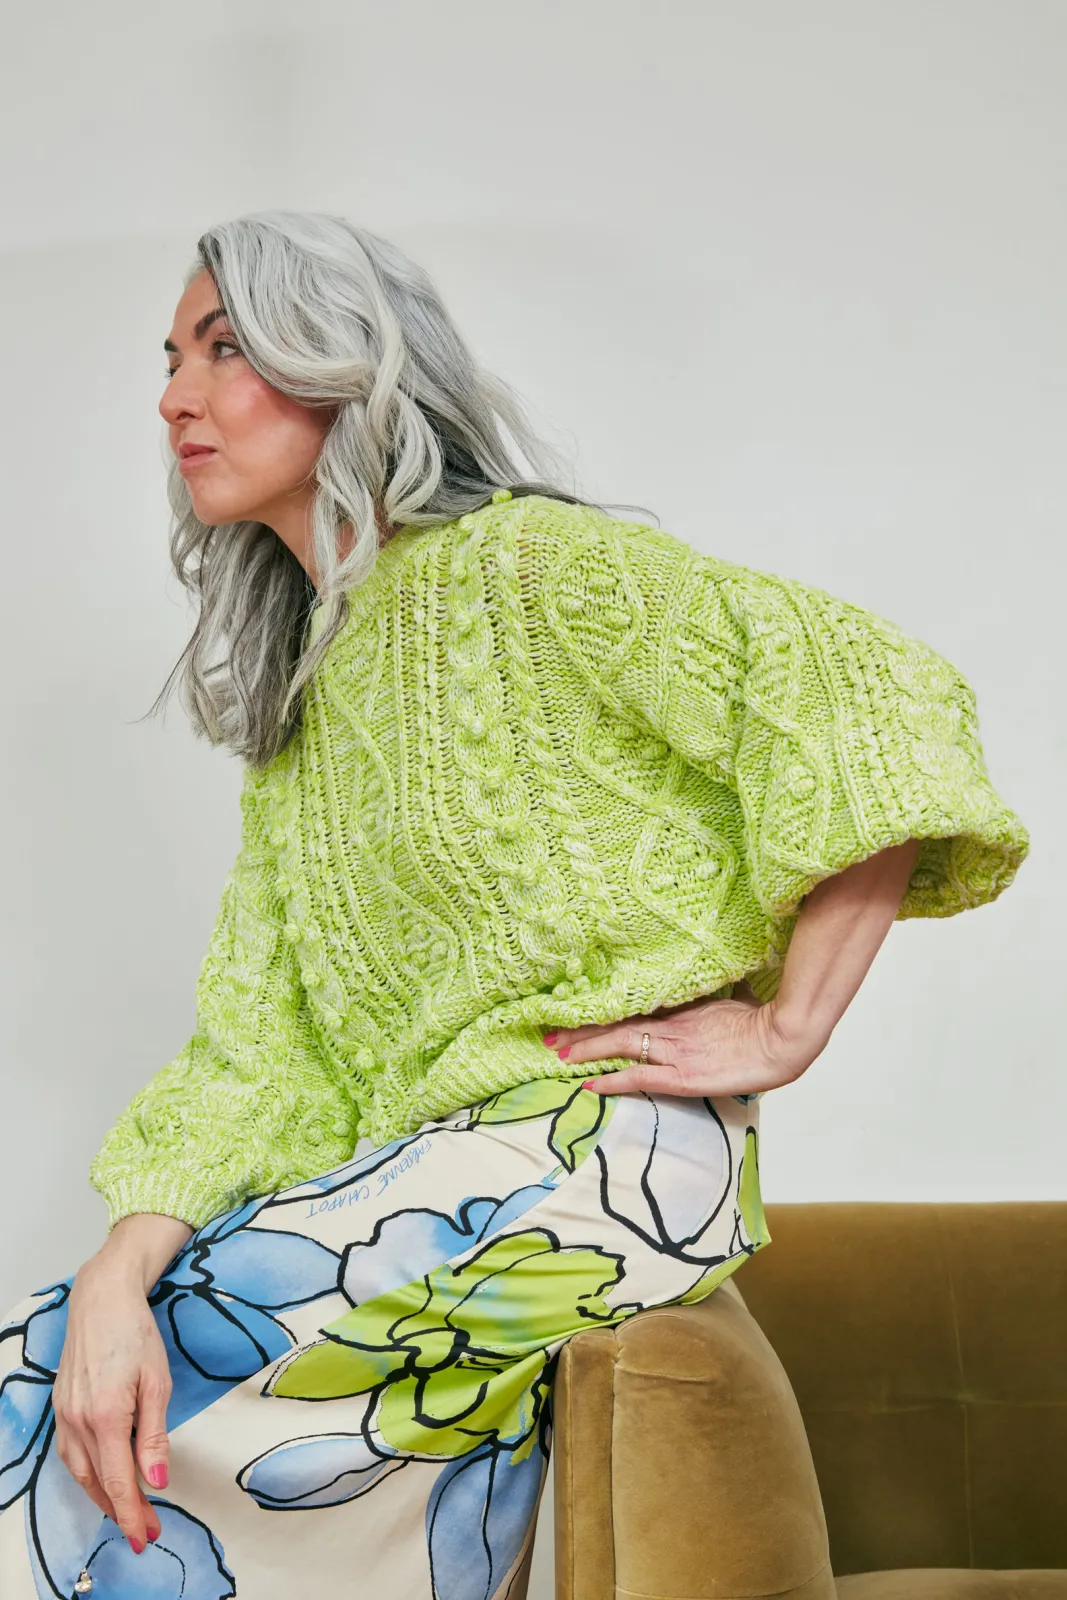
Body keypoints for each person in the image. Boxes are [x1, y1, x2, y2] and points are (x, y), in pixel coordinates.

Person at [0, 211, 1029, 1600]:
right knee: (121, 1415)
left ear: (345, 362)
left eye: (227, 347)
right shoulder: (304, 718)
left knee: (46, 1410)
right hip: (434, 1194)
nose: (177, 394)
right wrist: (116, 1272)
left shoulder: (520, 568)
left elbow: (860, 688)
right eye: (171, 356)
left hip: (588, 1165)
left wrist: (785, 1028)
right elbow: (259, 1049)